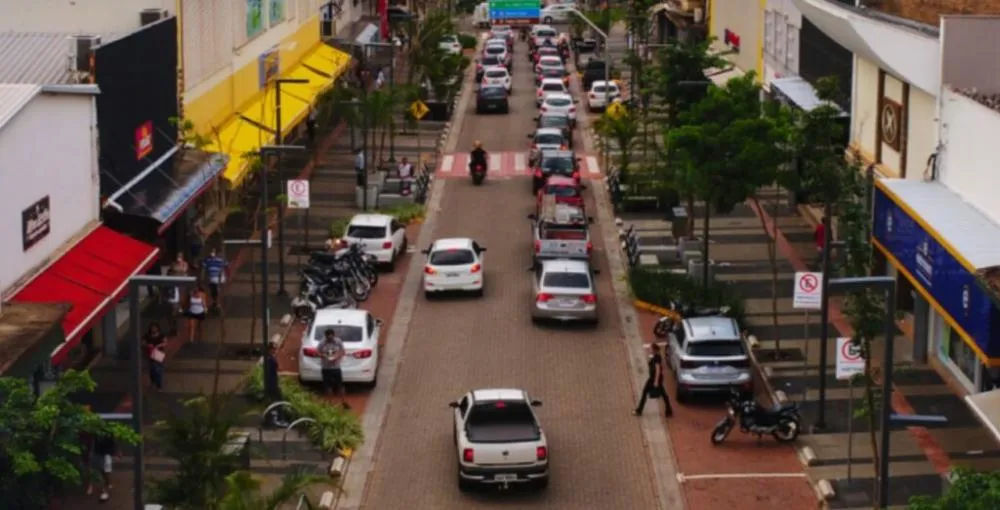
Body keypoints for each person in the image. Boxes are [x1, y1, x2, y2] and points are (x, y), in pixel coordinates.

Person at [633, 343, 672, 417]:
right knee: (663, 394)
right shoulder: (655, 356)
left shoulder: (657, 358)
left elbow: (658, 370)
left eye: (650, 348)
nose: (649, 349)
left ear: (654, 350)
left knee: (645, 392)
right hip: (655, 378)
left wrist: (656, 381)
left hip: (654, 378)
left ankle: (639, 411)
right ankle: (669, 410)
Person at [318, 328, 349, 409]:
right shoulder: (322, 343)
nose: (330, 339)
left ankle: (344, 402)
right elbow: (318, 352)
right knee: (328, 386)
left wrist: (336, 356)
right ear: (326, 336)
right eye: (328, 338)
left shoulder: (338, 341)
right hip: (326, 368)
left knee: (340, 385)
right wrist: (324, 356)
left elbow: (343, 351)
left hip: (336, 367)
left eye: (331, 338)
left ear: (334, 336)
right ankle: (330, 403)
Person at [85, 434, 117, 501]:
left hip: (106, 453)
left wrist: (115, 453)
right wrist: (91, 451)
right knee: (94, 469)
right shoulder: (96, 431)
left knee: (106, 471)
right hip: (97, 452)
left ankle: (107, 486)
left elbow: (113, 441)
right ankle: (99, 488)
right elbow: (93, 440)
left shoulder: (109, 432)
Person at [144, 322, 167, 391]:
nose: (153, 329)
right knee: (152, 370)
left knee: (158, 370)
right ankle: (152, 383)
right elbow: (143, 343)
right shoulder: (147, 335)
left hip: (158, 354)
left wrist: (158, 345)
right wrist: (147, 345)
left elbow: (165, 343)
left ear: (157, 328)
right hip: (150, 354)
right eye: (152, 327)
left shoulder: (161, 335)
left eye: (155, 327)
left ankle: (159, 385)